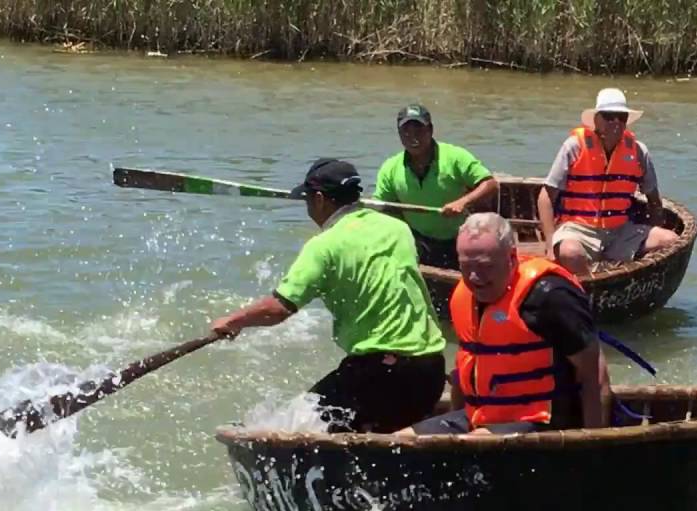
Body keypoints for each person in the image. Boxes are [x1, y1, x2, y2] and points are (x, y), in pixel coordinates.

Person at [210, 158, 447, 433]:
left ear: (320, 199)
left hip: (382, 377)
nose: (308, 207)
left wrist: (232, 321)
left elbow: (279, 308)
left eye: (308, 199)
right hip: (430, 375)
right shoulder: (397, 229)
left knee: (286, 428)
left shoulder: (323, 246)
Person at [402, 212, 611, 436]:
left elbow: (595, 375)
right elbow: (465, 367)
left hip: (542, 421)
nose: (474, 277)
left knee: (475, 441)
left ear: (511, 258)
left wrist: (593, 443)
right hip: (481, 420)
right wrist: (452, 424)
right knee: (401, 440)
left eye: (485, 266)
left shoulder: (550, 296)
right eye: (465, 266)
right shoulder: (462, 296)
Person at [536, 88, 679, 276]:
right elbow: (545, 197)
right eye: (609, 116)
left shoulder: (638, 151)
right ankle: (588, 285)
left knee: (671, 241)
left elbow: (654, 201)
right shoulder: (574, 146)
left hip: (620, 230)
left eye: (621, 117)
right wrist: (549, 243)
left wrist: (653, 232)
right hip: (577, 229)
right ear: (596, 119)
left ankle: (618, 271)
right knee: (570, 253)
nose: (616, 123)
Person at [373, 103, 498, 270]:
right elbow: (381, 207)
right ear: (399, 134)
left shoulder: (455, 157)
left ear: (430, 130)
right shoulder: (390, 168)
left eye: (418, 130)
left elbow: (490, 184)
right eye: (406, 132)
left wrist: (463, 202)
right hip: (418, 239)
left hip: (459, 238)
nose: (413, 137)